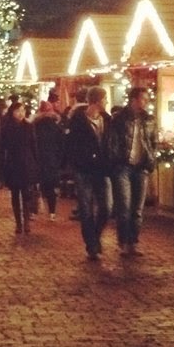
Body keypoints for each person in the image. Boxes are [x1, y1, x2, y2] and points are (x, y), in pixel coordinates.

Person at [108, 86, 158, 256]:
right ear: (134, 100)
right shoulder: (119, 118)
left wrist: (151, 159)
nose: (146, 102)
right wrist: (115, 160)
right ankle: (123, 242)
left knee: (137, 208)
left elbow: (153, 142)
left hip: (141, 167)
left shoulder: (149, 119)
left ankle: (133, 242)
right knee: (124, 206)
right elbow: (112, 141)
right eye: (143, 99)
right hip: (123, 166)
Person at [65, 85, 112, 260]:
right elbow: (70, 145)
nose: (107, 102)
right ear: (97, 101)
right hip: (83, 170)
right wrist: (78, 161)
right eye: (105, 99)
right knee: (86, 209)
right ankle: (91, 245)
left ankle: (95, 236)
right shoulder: (77, 121)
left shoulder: (107, 120)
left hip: (102, 169)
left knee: (106, 207)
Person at [0, 99, 39, 234]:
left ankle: (26, 221)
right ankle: (18, 223)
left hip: (26, 163)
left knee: (26, 194)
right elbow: (2, 148)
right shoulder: (7, 128)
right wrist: (1, 166)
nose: (21, 113)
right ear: (12, 112)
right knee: (15, 194)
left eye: (22, 111)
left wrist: (35, 163)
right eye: (18, 111)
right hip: (13, 164)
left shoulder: (29, 127)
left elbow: (34, 146)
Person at [32, 98, 64, 220]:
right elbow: (61, 145)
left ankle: (34, 211)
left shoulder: (34, 126)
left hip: (38, 159)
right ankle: (52, 212)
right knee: (51, 187)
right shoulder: (56, 127)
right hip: (52, 160)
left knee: (36, 186)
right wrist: (59, 160)